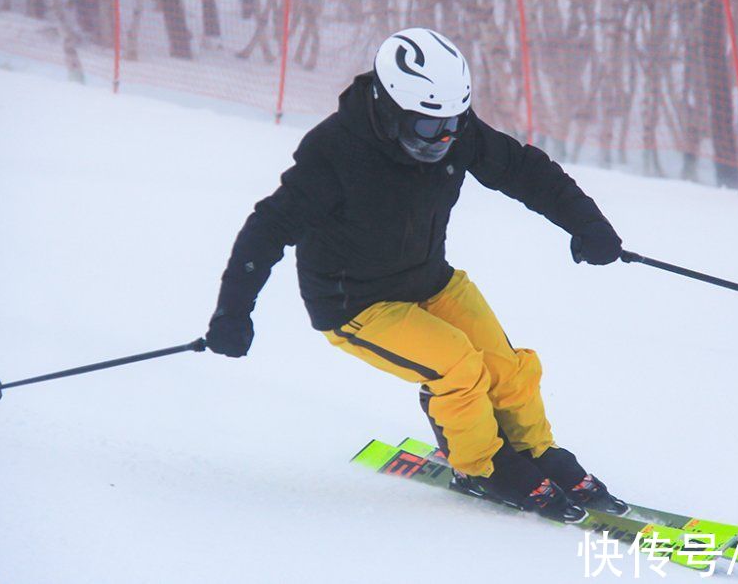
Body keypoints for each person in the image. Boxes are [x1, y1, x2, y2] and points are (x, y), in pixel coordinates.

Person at [206, 28, 625, 522]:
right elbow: (268, 228)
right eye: (428, 127)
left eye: (452, 123)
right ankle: (482, 466)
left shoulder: (454, 135)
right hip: (357, 304)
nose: (443, 139)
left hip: (428, 280)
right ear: (387, 107)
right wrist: (234, 311)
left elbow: (523, 171)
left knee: (506, 366)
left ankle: (533, 452)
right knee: (457, 367)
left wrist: (587, 224)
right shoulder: (334, 153)